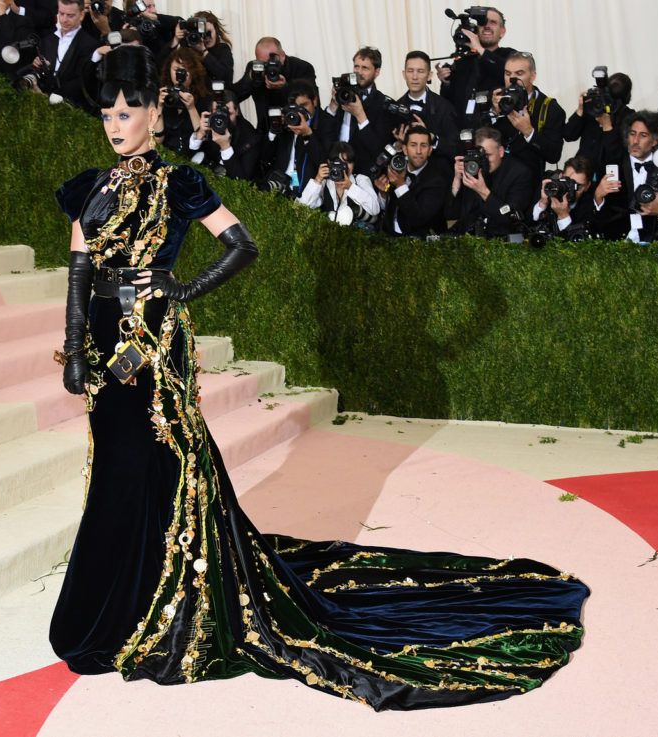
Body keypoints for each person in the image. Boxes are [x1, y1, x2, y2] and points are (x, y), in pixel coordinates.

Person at [50, 43, 589, 711]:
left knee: (166, 460)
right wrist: (74, 345)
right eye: (108, 113)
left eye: (129, 111)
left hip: (157, 340)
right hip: (105, 343)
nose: (116, 123)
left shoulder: (183, 184)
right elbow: (78, 268)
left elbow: (243, 245)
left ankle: (167, 595)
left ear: (157, 113)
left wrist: (181, 293)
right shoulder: (88, 186)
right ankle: (110, 596)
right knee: (115, 464)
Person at [591, 110, 658, 243]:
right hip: (617, 241)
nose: (635, 141)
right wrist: (598, 197)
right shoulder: (611, 165)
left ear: (654, 141)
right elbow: (600, 219)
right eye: (632, 134)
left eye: (643, 135)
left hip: (657, 241)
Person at [490, 51, 565, 180]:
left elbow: (554, 155)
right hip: (497, 178)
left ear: (533, 76)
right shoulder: (496, 100)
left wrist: (529, 132)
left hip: (529, 182)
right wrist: (493, 113)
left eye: (519, 74)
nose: (512, 79)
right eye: (508, 74)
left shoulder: (550, 107)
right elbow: (480, 137)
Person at [447, 126, 533, 237]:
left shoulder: (520, 173)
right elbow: (450, 214)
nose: (483, 161)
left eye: (487, 155)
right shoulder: (471, 168)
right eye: (479, 156)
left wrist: (483, 192)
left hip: (501, 242)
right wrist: (456, 180)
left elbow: (511, 219)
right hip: (466, 239)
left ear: (501, 151)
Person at [436, 6, 514, 127]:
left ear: (502, 31)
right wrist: (446, 82)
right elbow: (448, 103)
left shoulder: (510, 56)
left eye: (493, 22)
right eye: (482, 22)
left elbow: (506, 72)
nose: (487, 26)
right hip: (464, 133)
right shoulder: (463, 60)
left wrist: (480, 49)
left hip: (497, 134)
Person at [374, 125, 451, 237]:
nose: (418, 151)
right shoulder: (396, 166)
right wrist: (383, 194)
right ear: (405, 149)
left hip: (420, 244)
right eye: (413, 145)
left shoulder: (437, 180)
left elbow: (418, 219)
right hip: (389, 237)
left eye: (423, 146)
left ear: (430, 150)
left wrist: (400, 185)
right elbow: (385, 209)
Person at [324, 46, 390, 175]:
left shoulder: (383, 104)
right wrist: (333, 104)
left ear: (377, 72)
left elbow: (378, 150)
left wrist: (360, 115)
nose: (359, 72)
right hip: (334, 169)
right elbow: (324, 132)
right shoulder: (343, 94)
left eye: (365, 68)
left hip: (364, 173)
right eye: (356, 66)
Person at [233, 36, 316, 132]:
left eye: (272, 61)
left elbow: (311, 102)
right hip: (266, 132)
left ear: (283, 56)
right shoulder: (255, 68)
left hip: (294, 130)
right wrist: (251, 77)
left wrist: (285, 87)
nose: (269, 67)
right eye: (264, 63)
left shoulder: (302, 68)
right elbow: (235, 95)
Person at [392, 50, 459, 163]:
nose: (414, 77)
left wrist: (431, 137)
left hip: (438, 174)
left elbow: (456, 149)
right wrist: (399, 145)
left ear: (429, 75)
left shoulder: (444, 107)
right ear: (404, 74)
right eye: (410, 71)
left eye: (420, 71)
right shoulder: (395, 108)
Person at [563, 71, 634, 169]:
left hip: (610, 173)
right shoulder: (594, 107)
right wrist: (580, 110)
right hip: (583, 170)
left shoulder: (629, 117)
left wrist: (607, 127)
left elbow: (618, 156)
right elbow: (569, 135)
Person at [299, 141, 380, 227]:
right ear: (329, 163)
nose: (344, 166)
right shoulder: (325, 182)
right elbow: (301, 208)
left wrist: (351, 187)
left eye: (348, 162)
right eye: (339, 162)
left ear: (354, 164)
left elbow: (375, 209)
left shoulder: (361, 180)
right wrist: (317, 180)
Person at [153, 46, 211, 160]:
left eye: (184, 70)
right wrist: (159, 106)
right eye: (176, 69)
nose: (179, 74)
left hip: (195, 158)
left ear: (193, 72)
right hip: (167, 159)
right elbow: (157, 140)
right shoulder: (163, 96)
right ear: (169, 69)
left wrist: (191, 108)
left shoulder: (204, 98)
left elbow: (204, 139)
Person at [167, 10, 232, 85]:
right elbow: (164, 68)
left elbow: (226, 78)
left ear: (216, 30)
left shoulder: (223, 49)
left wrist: (204, 51)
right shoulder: (189, 48)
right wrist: (176, 40)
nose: (207, 38)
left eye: (208, 32)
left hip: (216, 93)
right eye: (203, 33)